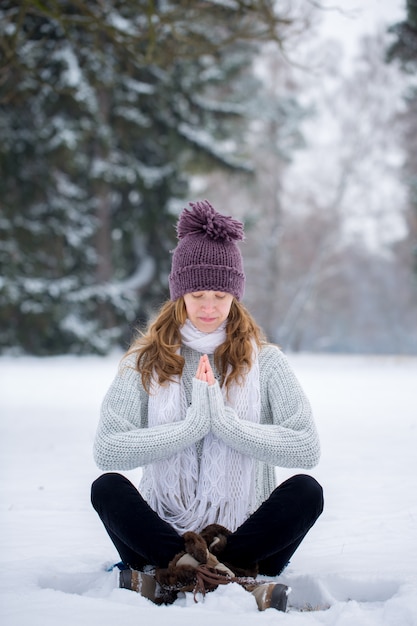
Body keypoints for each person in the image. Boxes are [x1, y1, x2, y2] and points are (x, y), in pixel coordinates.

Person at [91, 200, 323, 613]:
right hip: (160, 534)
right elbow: (108, 449)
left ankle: (174, 579)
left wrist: (226, 424)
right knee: (107, 488)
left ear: (236, 295)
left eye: (221, 295)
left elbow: (305, 447)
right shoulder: (144, 361)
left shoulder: (266, 362)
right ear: (179, 293)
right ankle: (230, 582)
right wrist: (191, 426)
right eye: (198, 294)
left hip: (246, 539)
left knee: (308, 491)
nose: (210, 307)